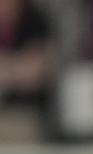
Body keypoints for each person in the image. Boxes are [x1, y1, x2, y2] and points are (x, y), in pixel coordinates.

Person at [0, 0, 54, 142]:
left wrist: (7, 68)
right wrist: (18, 65)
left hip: (25, 114)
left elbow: (37, 74)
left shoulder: (36, 20)